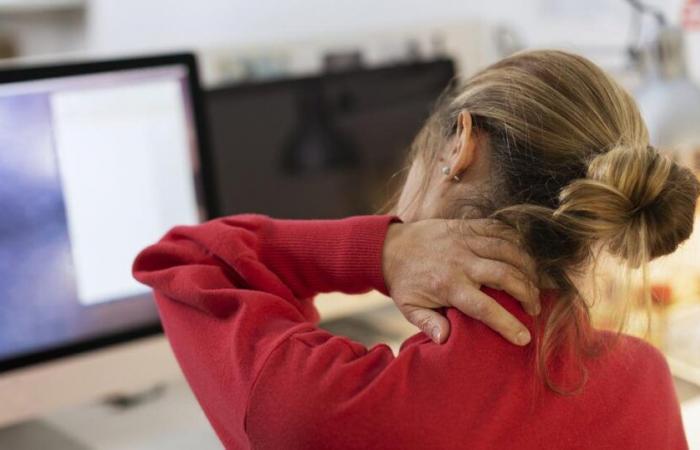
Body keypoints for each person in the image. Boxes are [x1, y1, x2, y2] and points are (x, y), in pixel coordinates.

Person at [133, 50, 697, 449]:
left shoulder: (320, 407)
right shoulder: (644, 381)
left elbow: (182, 259)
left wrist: (381, 249)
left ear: (461, 146)